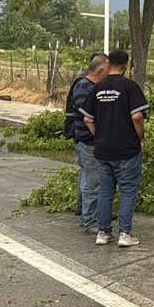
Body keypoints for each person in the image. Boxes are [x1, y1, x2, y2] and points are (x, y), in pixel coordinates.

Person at [81, 49, 147, 248]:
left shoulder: (98, 87)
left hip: (103, 149)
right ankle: (125, 234)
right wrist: (141, 138)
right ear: (126, 66)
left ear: (108, 64)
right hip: (126, 149)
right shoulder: (130, 87)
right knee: (128, 191)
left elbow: (87, 118)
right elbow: (137, 116)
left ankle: (103, 232)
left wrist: (99, 134)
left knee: (105, 192)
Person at [65, 52, 106, 217]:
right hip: (88, 141)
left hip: (87, 140)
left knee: (88, 177)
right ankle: (90, 218)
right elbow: (89, 116)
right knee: (92, 182)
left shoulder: (89, 86)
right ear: (102, 70)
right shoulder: (84, 87)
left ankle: (84, 211)